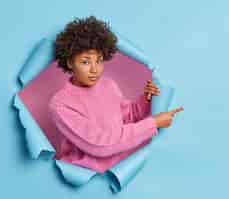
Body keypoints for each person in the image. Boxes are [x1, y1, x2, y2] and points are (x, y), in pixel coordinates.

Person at [48, 16, 184, 174]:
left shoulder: (107, 85)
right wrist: (153, 124)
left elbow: (127, 117)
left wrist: (146, 99)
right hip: (86, 177)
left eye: (98, 61)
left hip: (118, 169)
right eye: (85, 62)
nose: (94, 69)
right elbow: (99, 145)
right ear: (70, 62)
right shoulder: (61, 103)